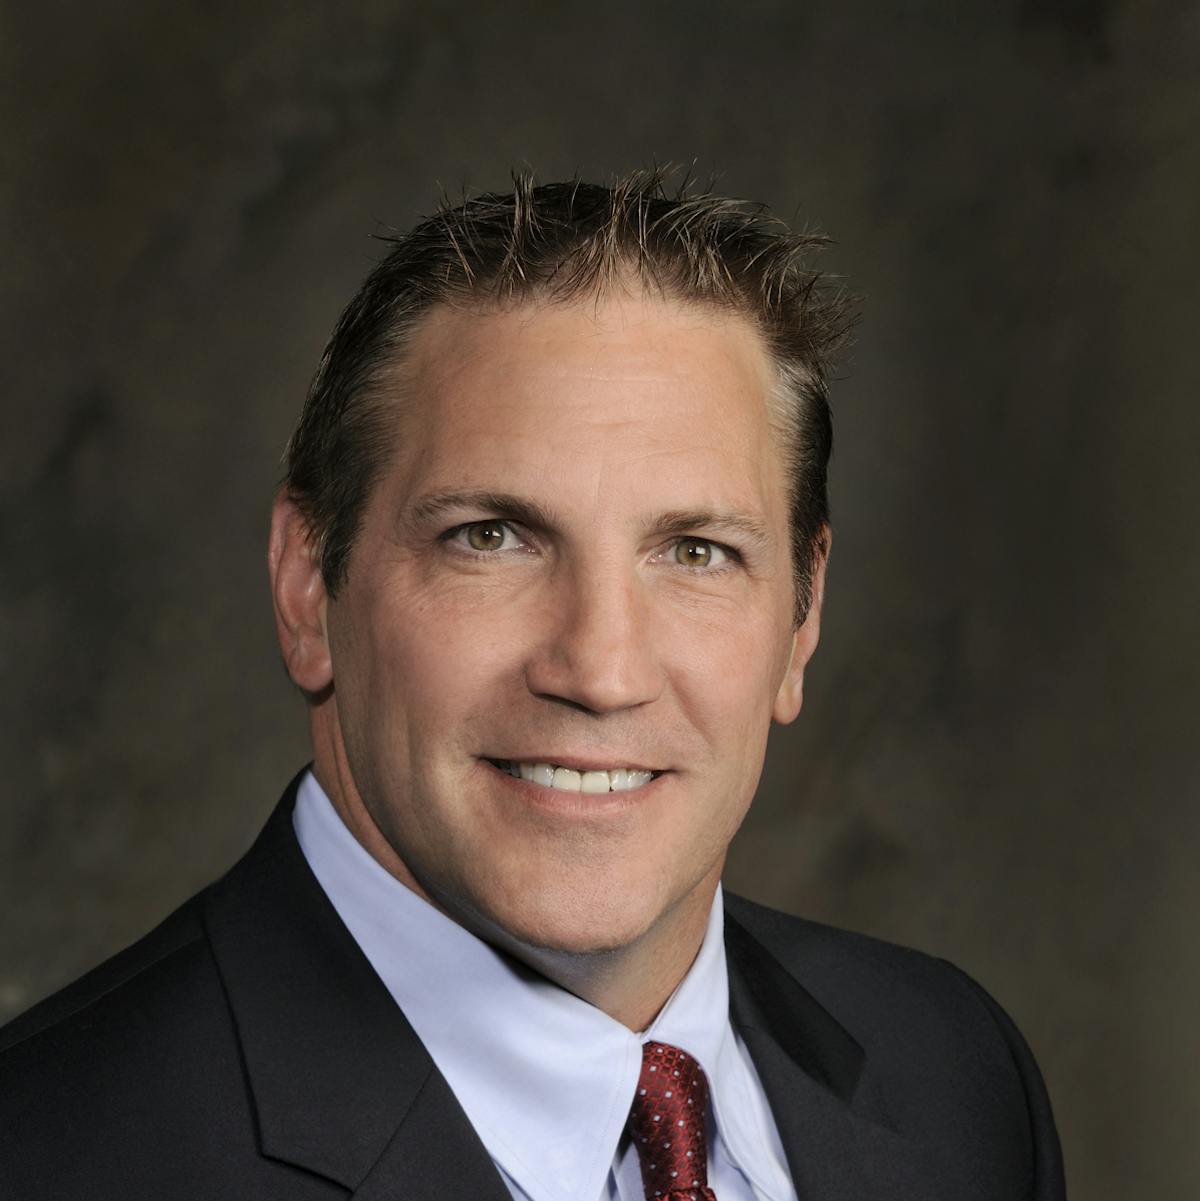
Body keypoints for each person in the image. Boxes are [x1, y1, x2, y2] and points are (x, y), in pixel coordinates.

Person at [0, 172, 1066, 1200]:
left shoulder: (956, 1082)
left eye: (696, 551)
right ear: (304, 587)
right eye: (491, 538)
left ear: (802, 618)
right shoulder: (47, 1152)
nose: (601, 672)